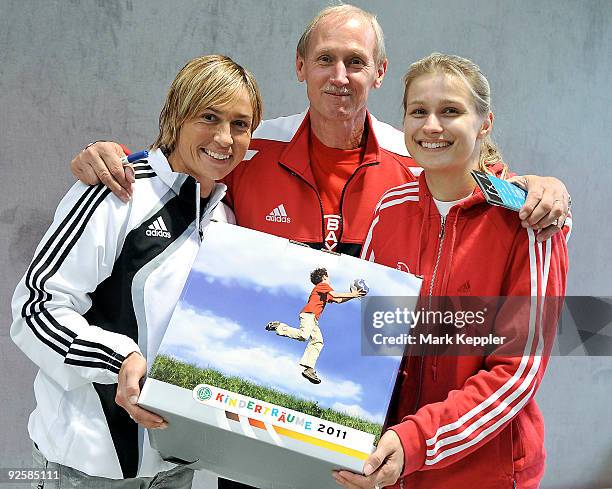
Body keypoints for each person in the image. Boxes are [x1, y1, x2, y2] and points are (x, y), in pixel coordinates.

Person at [70, 5, 571, 259]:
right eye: (325, 59)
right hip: (254, 397)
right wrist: (106, 155)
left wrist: (545, 187)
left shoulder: (418, 154)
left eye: (356, 62)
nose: (338, 76)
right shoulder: (247, 145)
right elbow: (170, 165)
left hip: (370, 404)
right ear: (300, 66)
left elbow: (494, 186)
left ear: (378, 73)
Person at [11, 55, 263, 488]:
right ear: (177, 116)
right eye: (209, 116)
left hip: (175, 468)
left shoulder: (225, 221)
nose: (225, 137)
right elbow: (35, 308)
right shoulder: (117, 191)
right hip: (88, 467)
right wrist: (119, 359)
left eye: (240, 125)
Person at [332, 53, 568, 489]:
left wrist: (417, 441)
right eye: (418, 112)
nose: (432, 126)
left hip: (483, 475)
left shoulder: (527, 222)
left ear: (485, 123)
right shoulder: (389, 211)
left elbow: (515, 374)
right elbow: (361, 335)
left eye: (451, 111)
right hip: (390, 467)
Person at [266, 267, 366, 384]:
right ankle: (279, 326)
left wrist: (352, 296)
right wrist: (352, 293)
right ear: (324, 277)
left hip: (313, 319)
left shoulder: (324, 291)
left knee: (318, 341)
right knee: (304, 336)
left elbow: (338, 300)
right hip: (308, 315)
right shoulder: (322, 286)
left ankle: (309, 369)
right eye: (328, 276)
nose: (329, 279)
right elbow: (335, 294)